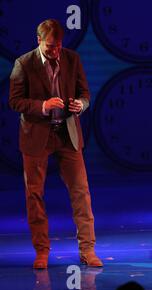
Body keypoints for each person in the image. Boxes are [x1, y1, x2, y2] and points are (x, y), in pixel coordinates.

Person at [9, 19, 102, 268]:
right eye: (50, 47)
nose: (55, 51)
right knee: (35, 194)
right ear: (39, 41)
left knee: (81, 192)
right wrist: (43, 106)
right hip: (36, 135)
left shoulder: (72, 59)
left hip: (67, 133)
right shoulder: (23, 64)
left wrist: (80, 105)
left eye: (58, 46)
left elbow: (85, 94)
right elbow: (15, 101)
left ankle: (88, 249)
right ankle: (41, 251)